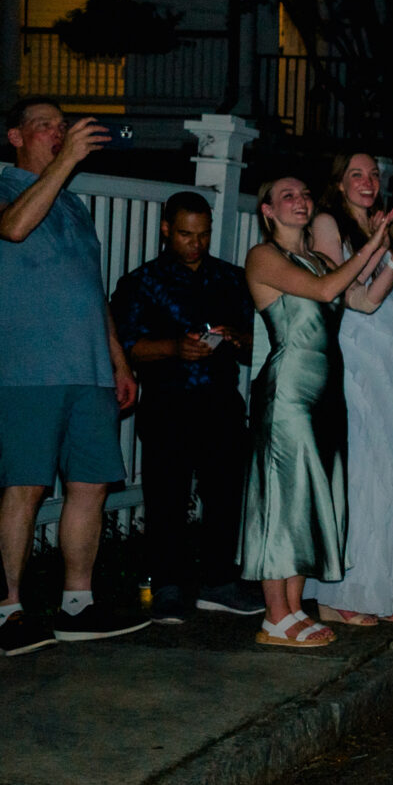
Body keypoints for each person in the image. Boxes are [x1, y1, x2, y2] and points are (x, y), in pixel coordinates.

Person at [0, 98, 148, 652]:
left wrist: (117, 359)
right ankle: (6, 613)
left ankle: (77, 604)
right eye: (45, 125)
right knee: (24, 488)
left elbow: (91, 288)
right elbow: (15, 229)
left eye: (63, 127)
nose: (59, 132)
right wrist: (65, 161)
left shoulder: (73, 205)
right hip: (26, 369)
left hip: (88, 370)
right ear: (15, 135)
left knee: (90, 487)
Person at [240, 173, 393, 648]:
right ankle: (274, 615)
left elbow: (362, 300)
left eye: (304, 193)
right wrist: (368, 252)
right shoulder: (264, 256)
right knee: (282, 500)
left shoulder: (322, 258)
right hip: (288, 390)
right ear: (267, 211)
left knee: (312, 497)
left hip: (325, 392)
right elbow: (326, 291)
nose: (300, 200)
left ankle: (295, 607)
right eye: (286, 195)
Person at [111, 192, 259, 618]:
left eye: (203, 234)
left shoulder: (232, 279)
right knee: (167, 499)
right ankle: (167, 585)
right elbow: (128, 347)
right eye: (185, 234)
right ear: (166, 230)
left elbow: (256, 341)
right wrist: (175, 348)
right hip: (168, 404)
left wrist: (234, 338)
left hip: (221, 402)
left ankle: (218, 581)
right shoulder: (142, 282)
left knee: (226, 496)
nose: (195, 243)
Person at [305, 151, 393, 624]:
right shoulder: (327, 224)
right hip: (353, 352)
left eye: (374, 174)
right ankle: (339, 597)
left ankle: (374, 588)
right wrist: (384, 248)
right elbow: (350, 293)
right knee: (360, 473)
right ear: (339, 183)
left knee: (388, 472)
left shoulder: (381, 226)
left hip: (386, 352)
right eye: (357, 174)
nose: (368, 181)